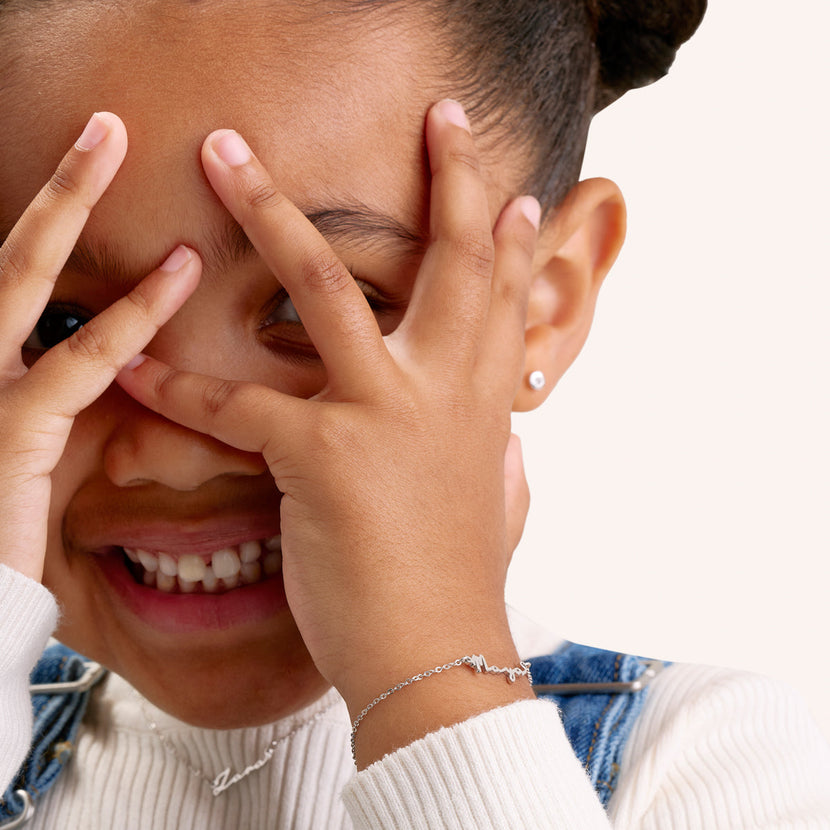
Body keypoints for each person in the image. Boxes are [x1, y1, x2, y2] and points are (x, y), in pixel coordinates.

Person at [0, 0, 827, 827]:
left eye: (319, 307)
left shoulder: (709, 758)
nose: (169, 456)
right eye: (61, 326)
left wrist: (434, 678)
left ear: (542, 302)